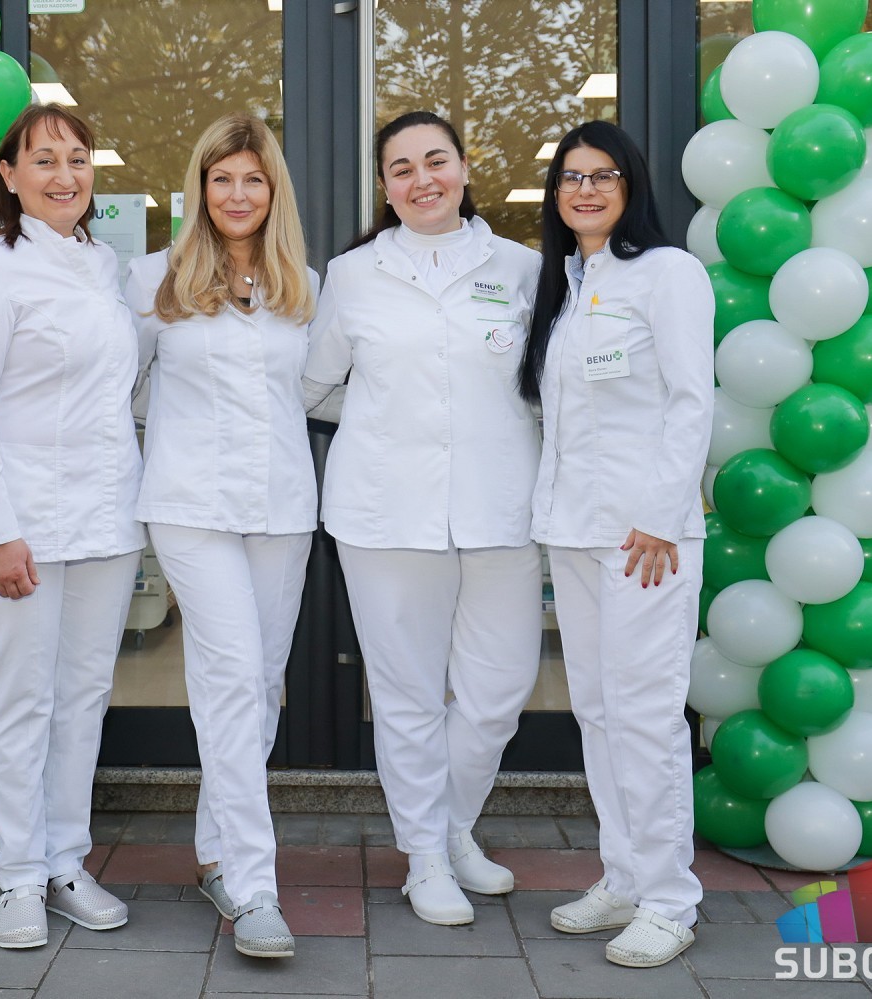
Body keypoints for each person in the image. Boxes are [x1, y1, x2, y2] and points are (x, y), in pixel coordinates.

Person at [303, 110, 544, 927]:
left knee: (498, 690)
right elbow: (313, 386)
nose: (421, 180)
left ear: (466, 168)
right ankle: (427, 856)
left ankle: (453, 825)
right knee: (406, 694)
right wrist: (386, 421)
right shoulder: (352, 274)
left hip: (502, 507)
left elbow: (549, 388)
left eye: (435, 161)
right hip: (386, 513)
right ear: (384, 186)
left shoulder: (522, 268)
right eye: (401, 168)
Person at [0, 104, 145, 951]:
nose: (66, 175)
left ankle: (67, 862)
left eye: (78, 158)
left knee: (83, 698)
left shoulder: (105, 269)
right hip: (19, 525)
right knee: (21, 698)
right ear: (10, 175)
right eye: (45, 159)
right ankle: (20, 875)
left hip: (106, 520)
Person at [124, 113, 318, 959]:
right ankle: (256, 884)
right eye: (222, 178)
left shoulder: (303, 285)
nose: (237, 194)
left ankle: (214, 851)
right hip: (190, 505)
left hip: (282, 506)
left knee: (257, 683)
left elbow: (317, 390)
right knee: (235, 675)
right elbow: (124, 387)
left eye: (253, 179)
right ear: (200, 187)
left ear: (274, 191)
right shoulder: (152, 280)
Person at [520, 120, 713, 968]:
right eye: (571, 177)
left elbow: (691, 399)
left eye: (603, 175)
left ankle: (671, 898)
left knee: (645, 713)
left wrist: (664, 514)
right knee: (598, 711)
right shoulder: (567, 284)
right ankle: (624, 877)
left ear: (630, 186)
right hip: (574, 529)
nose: (586, 189)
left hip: (645, 538)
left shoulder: (667, 274)